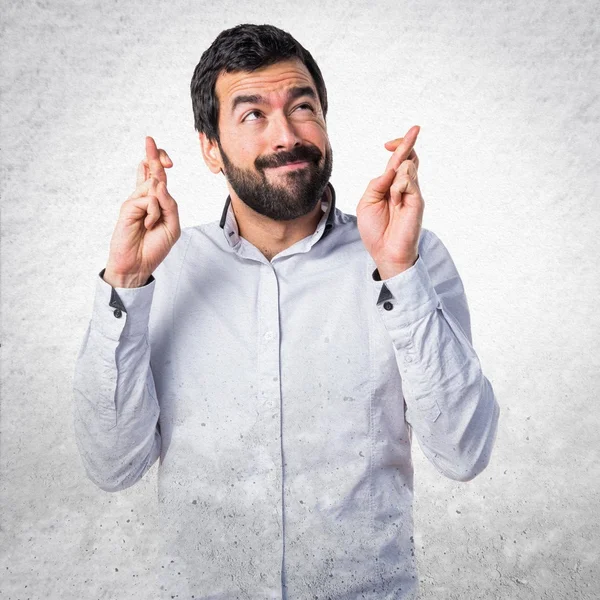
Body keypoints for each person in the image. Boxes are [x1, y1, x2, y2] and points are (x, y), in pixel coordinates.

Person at [73, 23, 499, 600]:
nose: (286, 135)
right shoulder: (164, 271)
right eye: (252, 115)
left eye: (303, 107)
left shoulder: (411, 256)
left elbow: (464, 451)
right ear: (209, 148)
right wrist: (125, 281)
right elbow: (112, 466)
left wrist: (399, 269)